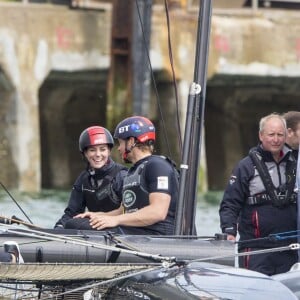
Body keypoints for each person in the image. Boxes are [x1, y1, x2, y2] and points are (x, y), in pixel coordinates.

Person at [219, 113, 298, 275]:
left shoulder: (296, 164)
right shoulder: (245, 167)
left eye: (279, 135)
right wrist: (229, 231)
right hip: (256, 249)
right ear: (261, 135)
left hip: (289, 248)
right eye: (271, 135)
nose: (275, 139)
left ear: (285, 136)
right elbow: (229, 204)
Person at [75, 116, 178, 235]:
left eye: (120, 143)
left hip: (156, 234)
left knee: (78, 226)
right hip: (136, 231)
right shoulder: (133, 171)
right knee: (77, 223)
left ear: (131, 142)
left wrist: (115, 220)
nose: (119, 148)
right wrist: (98, 216)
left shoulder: (157, 166)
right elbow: (123, 211)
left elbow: (158, 212)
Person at [54, 126, 128, 229]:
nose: (98, 154)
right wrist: (59, 227)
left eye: (102, 150)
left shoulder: (121, 175)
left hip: (121, 230)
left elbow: (130, 211)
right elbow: (72, 213)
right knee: (71, 223)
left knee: (74, 224)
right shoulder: (84, 178)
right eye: (92, 150)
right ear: (85, 153)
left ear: (109, 151)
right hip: (97, 230)